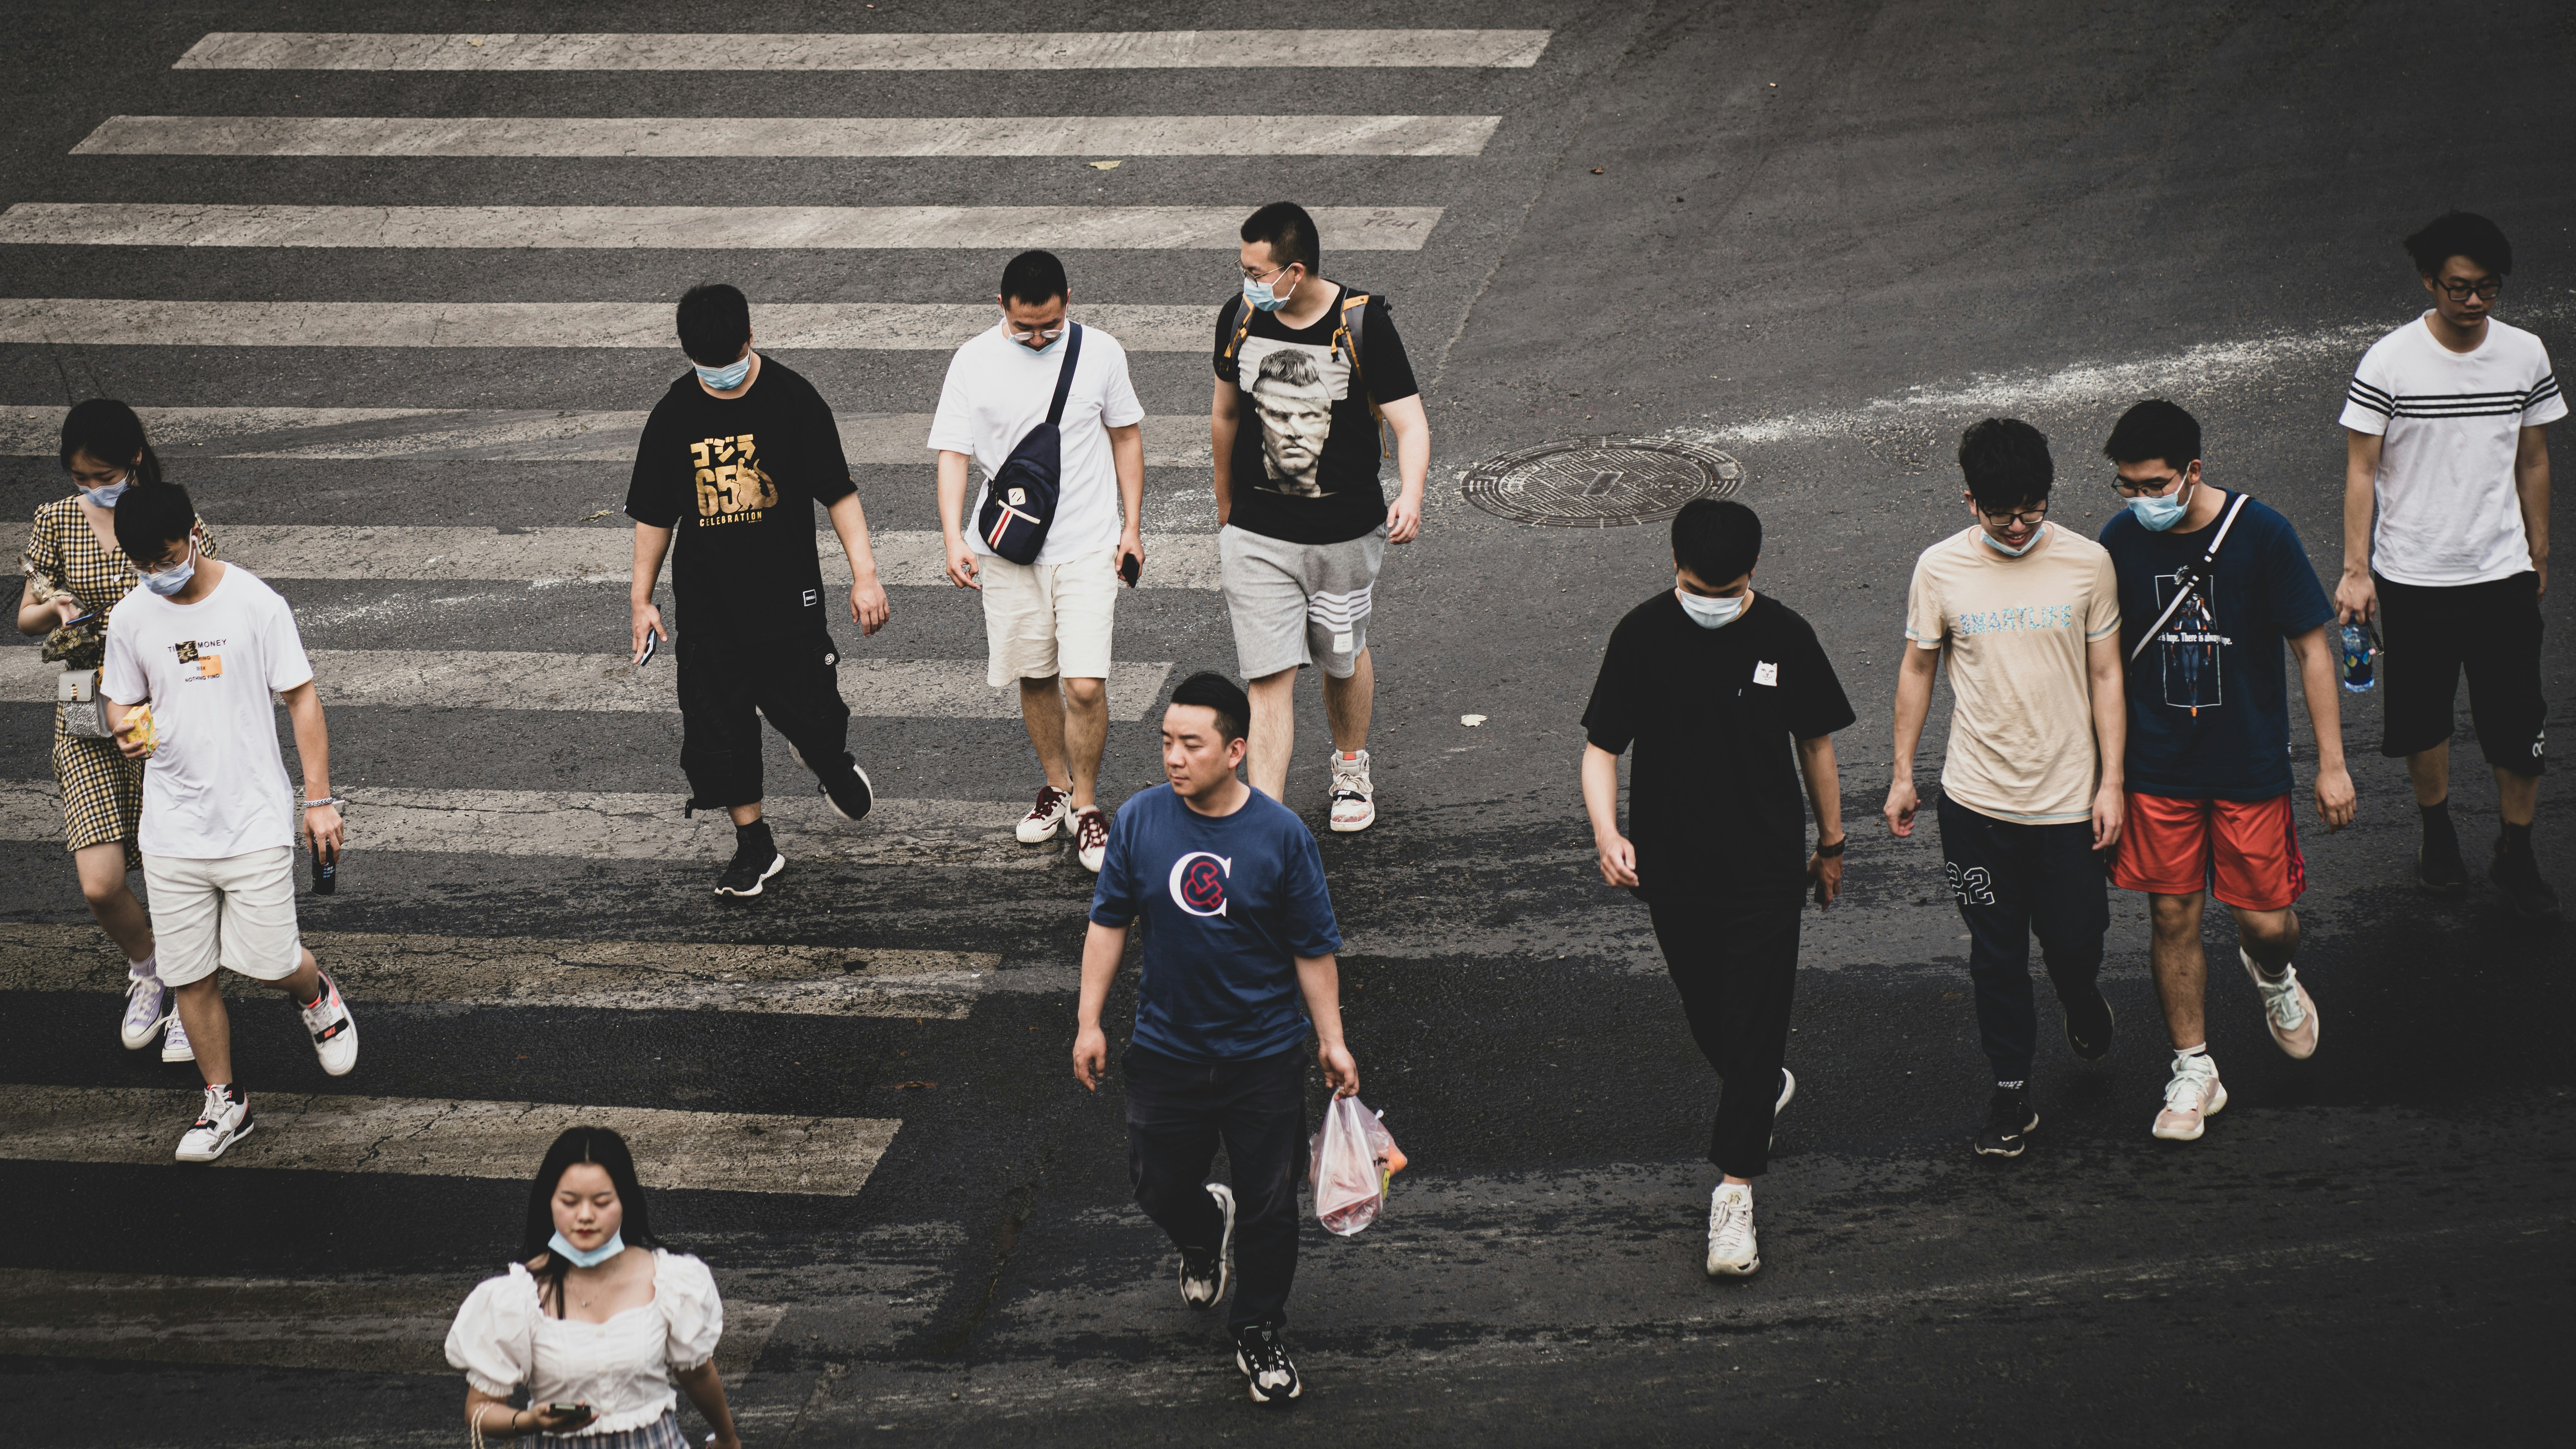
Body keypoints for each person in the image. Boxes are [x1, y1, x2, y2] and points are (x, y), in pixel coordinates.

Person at [1579, 499, 1854, 1277]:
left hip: (1767, 871)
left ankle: (1734, 1194)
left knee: (1757, 1017)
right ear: (1674, 564)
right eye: (1702, 585)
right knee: (1713, 1015)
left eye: (1726, 588)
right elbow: (1602, 748)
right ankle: (1759, 1085)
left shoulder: (1784, 636)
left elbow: (1816, 745)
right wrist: (1607, 833)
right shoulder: (1640, 635)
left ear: (1752, 576)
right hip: (1672, 870)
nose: (1712, 598)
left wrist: (1831, 844)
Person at [1073, 672, 1356, 1405]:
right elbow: (1109, 924)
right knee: (1157, 1183)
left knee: (1270, 1206)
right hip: (1166, 1050)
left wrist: (1332, 1039)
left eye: (1190, 744)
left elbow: (1313, 946)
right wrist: (1088, 1021)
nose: (1173, 757)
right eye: (1166, 741)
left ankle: (1258, 1327)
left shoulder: (1281, 836)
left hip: (1263, 1055)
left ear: (1235, 750)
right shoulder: (1139, 821)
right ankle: (1203, 1231)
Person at [2099, 401, 2356, 1142]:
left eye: (2152, 484)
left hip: (2248, 766)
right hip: (2158, 768)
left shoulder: (2262, 533)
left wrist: (2331, 765)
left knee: (2264, 922)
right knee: (2172, 914)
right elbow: (2102, 661)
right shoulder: (2117, 541)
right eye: (2125, 486)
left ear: (2192, 472)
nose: (2138, 500)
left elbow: (2312, 647)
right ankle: (2193, 1065)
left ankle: (2272, 974)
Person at [1884, 419, 2125, 1159]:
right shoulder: (1939, 569)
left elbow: (2107, 673)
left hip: (2067, 804)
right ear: (1969, 501)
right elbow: (1918, 667)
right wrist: (1902, 772)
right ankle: (2012, 1092)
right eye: (2001, 513)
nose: (2019, 526)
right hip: (1977, 807)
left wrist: (2112, 780)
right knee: (1995, 956)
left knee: (2074, 941)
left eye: (2032, 508)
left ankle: (2080, 995)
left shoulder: (2088, 563)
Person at [99, 482, 355, 1163]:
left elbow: (302, 699)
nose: (158, 573)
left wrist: (318, 799)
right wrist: (125, 730)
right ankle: (226, 1101)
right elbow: (117, 703)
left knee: (271, 960)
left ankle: (316, 992)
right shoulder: (131, 618)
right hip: (173, 826)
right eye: (142, 564)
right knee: (190, 975)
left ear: (194, 533)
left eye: (166, 555)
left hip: (252, 818)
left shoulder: (254, 603)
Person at [626, 282, 891, 898]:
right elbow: (654, 516)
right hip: (708, 610)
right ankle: (755, 845)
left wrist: (866, 573)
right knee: (718, 732)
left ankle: (825, 756)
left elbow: (839, 492)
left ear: (752, 339)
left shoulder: (793, 400)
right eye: (707, 369)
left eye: (730, 364)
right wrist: (642, 599)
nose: (721, 377)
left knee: (815, 713)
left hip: (787, 602)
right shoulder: (672, 416)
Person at [2334, 211, 2561, 918]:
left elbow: (2532, 457)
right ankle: (2438, 834)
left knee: (2517, 715)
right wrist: (2355, 570)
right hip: (2414, 575)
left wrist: (2539, 545)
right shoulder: (2388, 361)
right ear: (2428, 281)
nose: (2472, 303)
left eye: (2487, 290)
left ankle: (2515, 849)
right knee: (2422, 719)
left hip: (2501, 572)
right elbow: (2361, 471)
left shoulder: (2524, 353)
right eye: (2458, 288)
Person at [1211, 202, 1430, 830]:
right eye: (1243, 268)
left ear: (1296, 270)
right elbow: (1225, 414)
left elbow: (1409, 422)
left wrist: (1410, 494)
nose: (1247, 282)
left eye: (1257, 270)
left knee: (1341, 653)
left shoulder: (1361, 324)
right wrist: (1226, 504)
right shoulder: (1242, 317)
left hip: (1344, 532)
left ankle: (1350, 763)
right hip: (1257, 532)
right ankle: (1267, 823)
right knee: (1268, 676)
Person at [18, 401, 222, 1065]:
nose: (89, 487)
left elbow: (209, 596)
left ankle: (193, 994)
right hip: (82, 698)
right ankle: (150, 965)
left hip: (154, 699)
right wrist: (53, 608)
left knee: (169, 865)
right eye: (79, 477)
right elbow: (25, 616)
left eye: (99, 474)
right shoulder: (54, 520)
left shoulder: (164, 514)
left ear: (133, 460)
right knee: (102, 882)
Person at [931, 249, 1147, 872]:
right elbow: (953, 451)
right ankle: (1056, 785)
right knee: (1034, 673)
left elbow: (1126, 434)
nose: (1037, 337)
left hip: (1087, 543)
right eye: (1025, 326)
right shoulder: (972, 361)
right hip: (1008, 547)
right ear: (1001, 307)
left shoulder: (1101, 353)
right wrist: (953, 537)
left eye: (1049, 325)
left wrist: (1131, 527)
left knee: (1084, 683)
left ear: (1069, 301)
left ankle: (1086, 805)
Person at [445, 1126, 742, 1448]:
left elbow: (697, 1374)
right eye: (570, 1202)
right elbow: (478, 1409)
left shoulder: (671, 1281)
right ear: (550, 1202)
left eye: (602, 1202)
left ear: (624, 1202)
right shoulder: (515, 1298)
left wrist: (728, 1439)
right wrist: (529, 1421)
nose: (585, 1216)